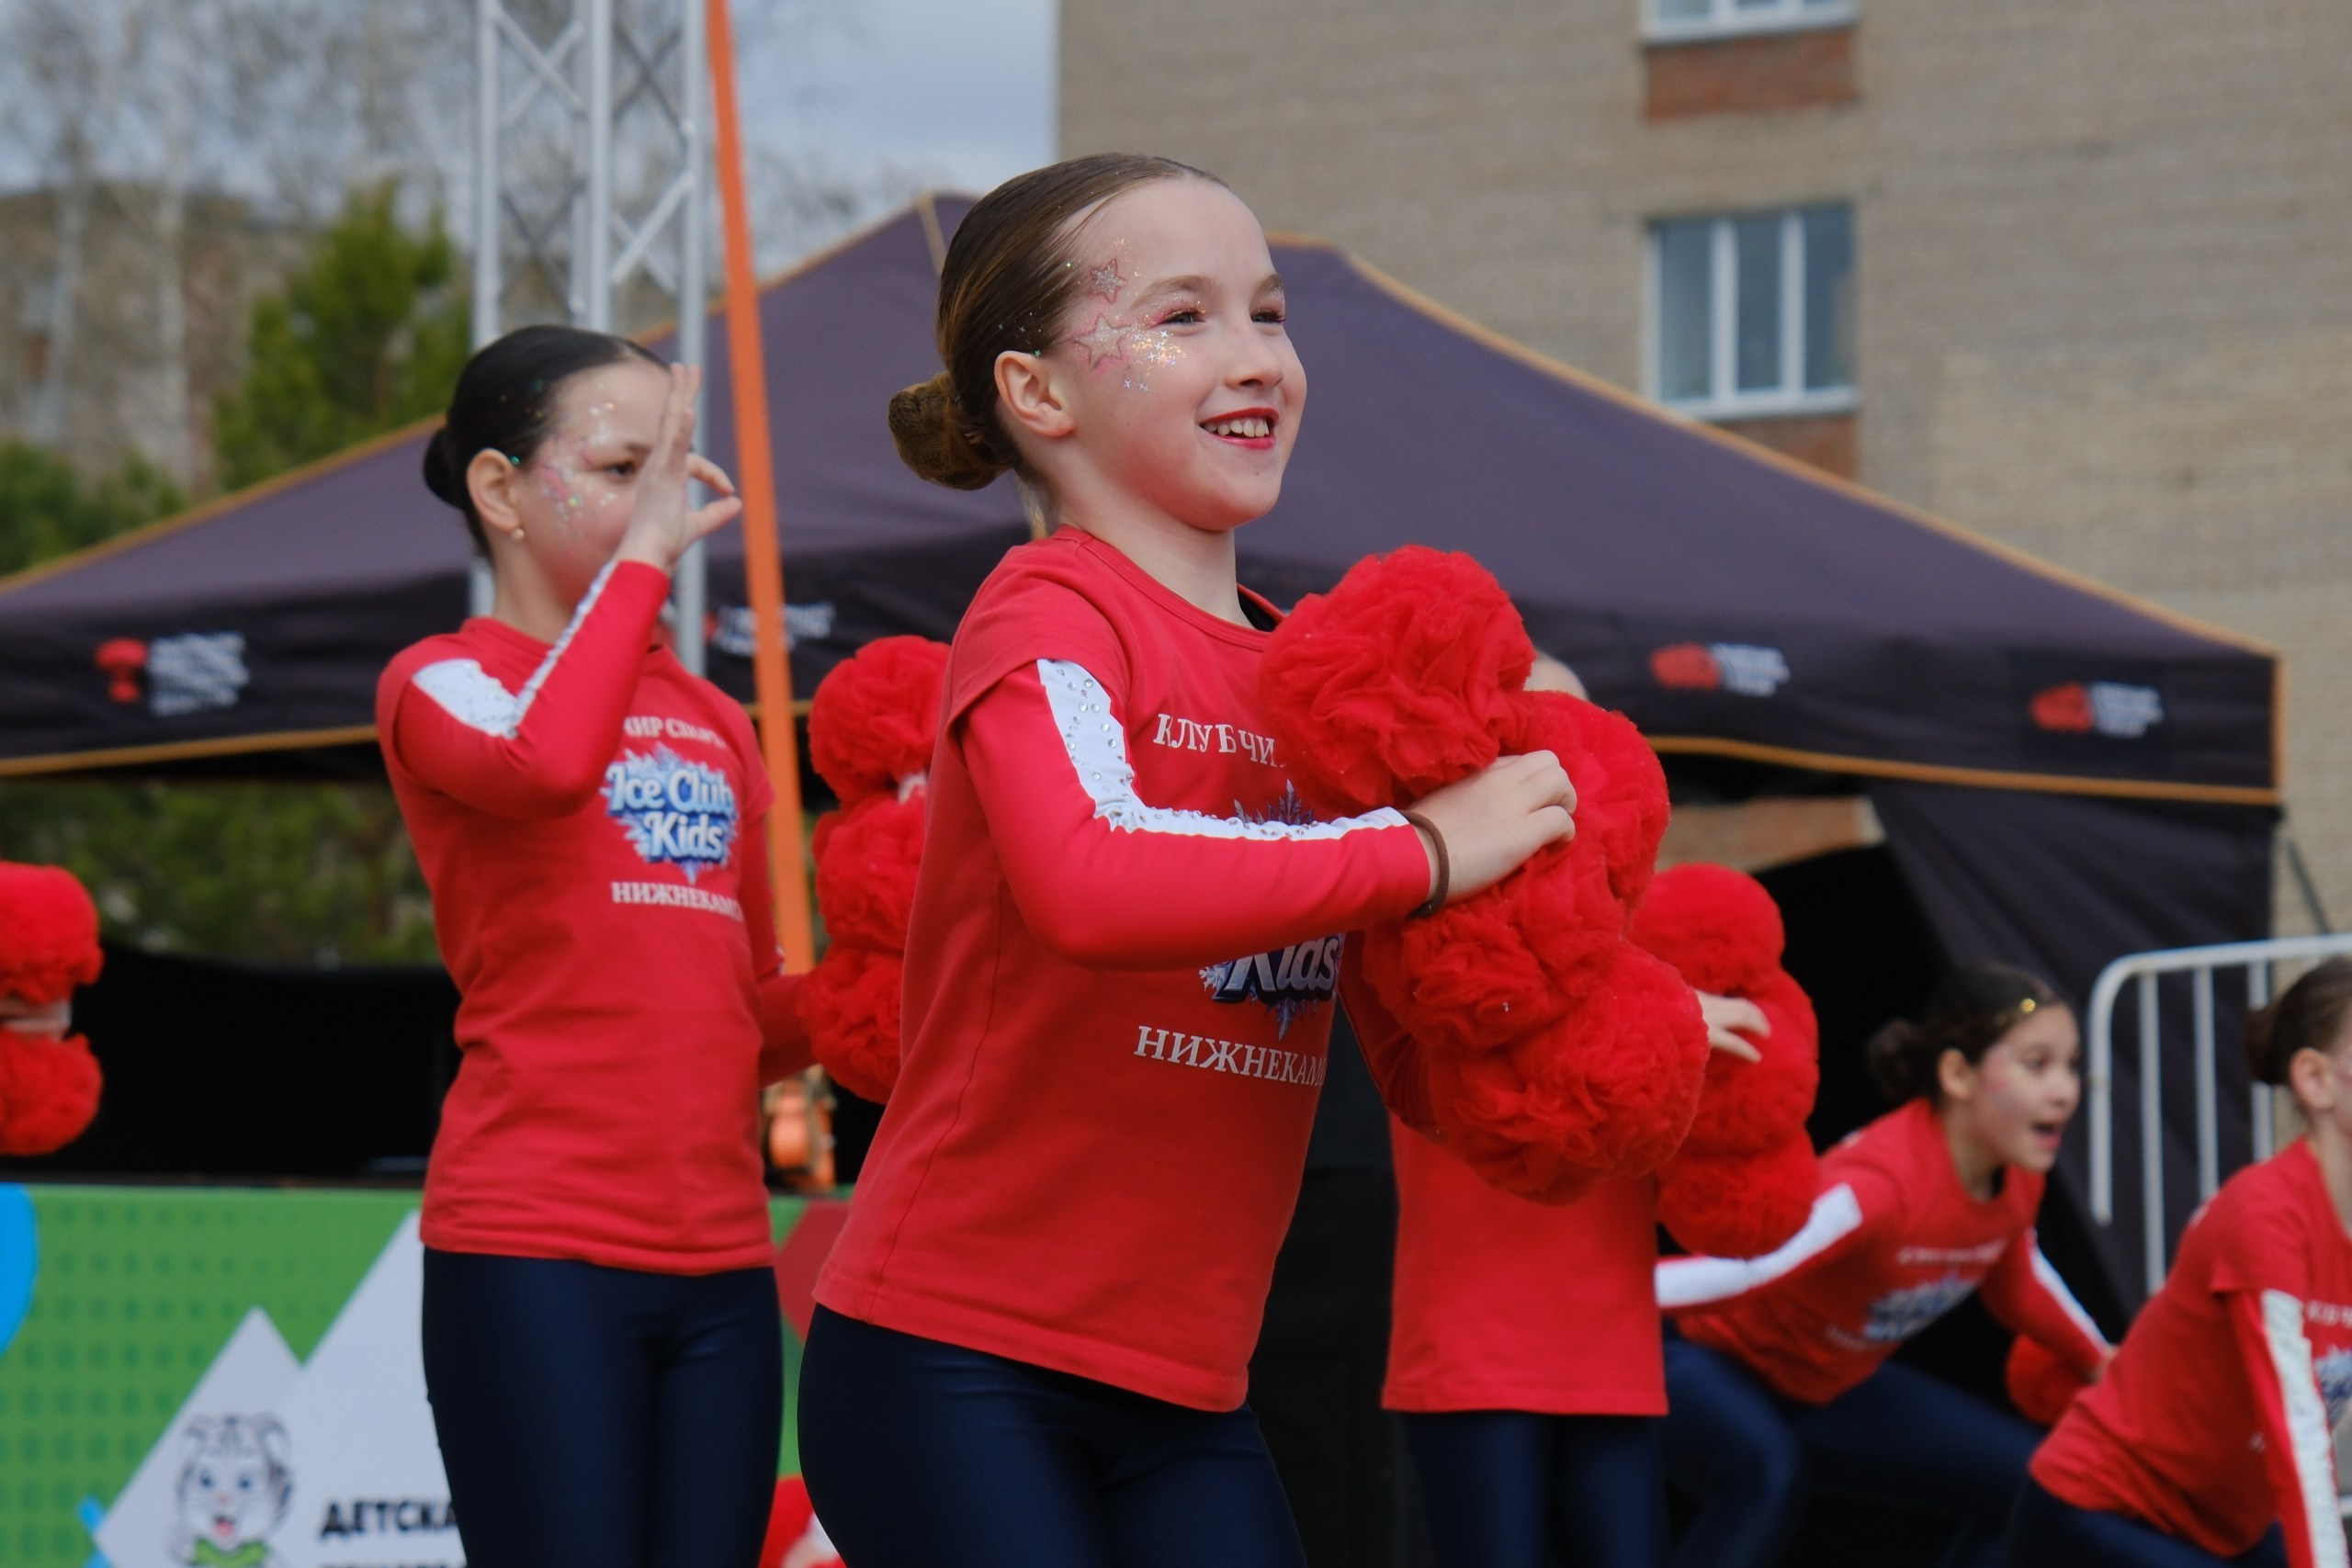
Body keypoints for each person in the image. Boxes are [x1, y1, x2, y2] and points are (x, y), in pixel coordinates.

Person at [795, 152, 1576, 1568]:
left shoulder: (1311, 678)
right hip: (954, 1360)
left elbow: (1405, 1050)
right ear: (1039, 392)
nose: (1254, 354)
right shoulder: (1045, 611)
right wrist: (1416, 847)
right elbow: (1093, 873)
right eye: (1182, 316)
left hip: (1188, 1389)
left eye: (1267, 312)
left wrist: (1579, 1021)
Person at [380, 324, 811, 1568]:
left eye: (672, 468)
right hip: (533, 1251)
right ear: (500, 489)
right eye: (626, 465)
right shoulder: (445, 680)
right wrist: (642, 561)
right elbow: (544, 762)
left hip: (727, 1262)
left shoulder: (720, 722)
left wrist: (897, 976)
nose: (661, 501)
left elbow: (755, 1011)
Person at [1382, 655, 1774, 1568]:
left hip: (1609, 1346)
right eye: (1534, 731)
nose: (1565, 760)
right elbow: (1508, 1027)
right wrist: (1674, 1018)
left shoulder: (1638, 930)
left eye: (1583, 734)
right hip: (1477, 1345)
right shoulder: (1433, 897)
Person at [1657, 964, 2113, 1568]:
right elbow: (1749, 1266)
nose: (2066, 1089)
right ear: (1957, 1074)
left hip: (1831, 1386)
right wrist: (1592, 1297)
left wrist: (2100, 1362)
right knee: (1767, 1477)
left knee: (2035, 1486)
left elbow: (2020, 1276)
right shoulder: (1881, 1184)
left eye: (2072, 1064)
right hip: (1706, 1362)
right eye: (2037, 1063)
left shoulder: (2017, 1178)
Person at [2008, 961, 2352, 1568]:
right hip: (2104, 1505)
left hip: (2225, 1525)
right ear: (2316, 1079)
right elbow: (2296, 1433)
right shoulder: (2266, 1214)